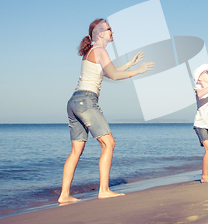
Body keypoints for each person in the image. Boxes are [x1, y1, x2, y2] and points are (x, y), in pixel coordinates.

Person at [58, 19, 155, 204]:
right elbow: (115, 75)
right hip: (86, 100)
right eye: (109, 29)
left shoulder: (90, 51)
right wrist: (139, 71)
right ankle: (103, 190)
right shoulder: (100, 51)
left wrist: (131, 64)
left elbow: (110, 71)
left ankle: (64, 195)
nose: (112, 32)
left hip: (74, 102)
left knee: (76, 150)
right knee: (108, 143)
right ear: (100, 33)